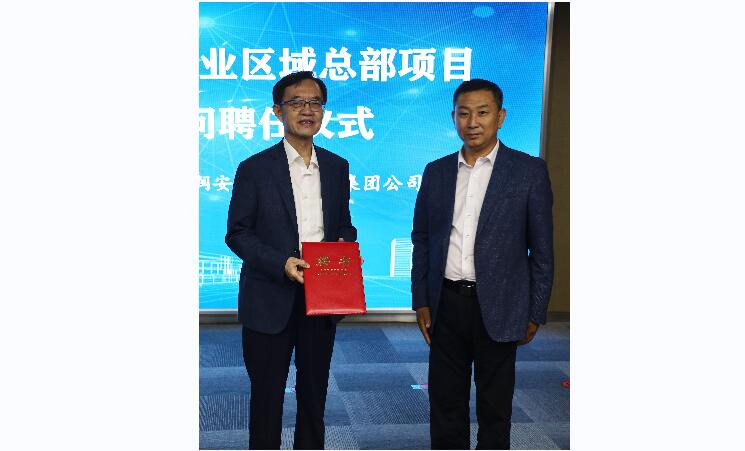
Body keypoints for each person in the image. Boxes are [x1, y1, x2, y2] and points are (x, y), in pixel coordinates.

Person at [411, 78, 554, 449]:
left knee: (495, 408)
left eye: (483, 112)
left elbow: (542, 250)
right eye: (464, 113)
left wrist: (535, 311)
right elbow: (422, 239)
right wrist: (421, 300)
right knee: (445, 405)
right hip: (446, 303)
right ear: (453, 118)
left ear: (500, 117)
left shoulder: (528, 171)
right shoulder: (437, 171)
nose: (472, 122)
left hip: (501, 305)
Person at [225, 71, 356, 450]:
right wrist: (281, 262)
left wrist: (345, 247)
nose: (307, 110)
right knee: (267, 399)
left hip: (322, 299)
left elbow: (343, 225)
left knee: (314, 396)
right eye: (296, 102)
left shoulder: (337, 167)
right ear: (277, 111)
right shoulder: (254, 169)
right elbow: (238, 233)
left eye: (315, 102)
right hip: (269, 298)